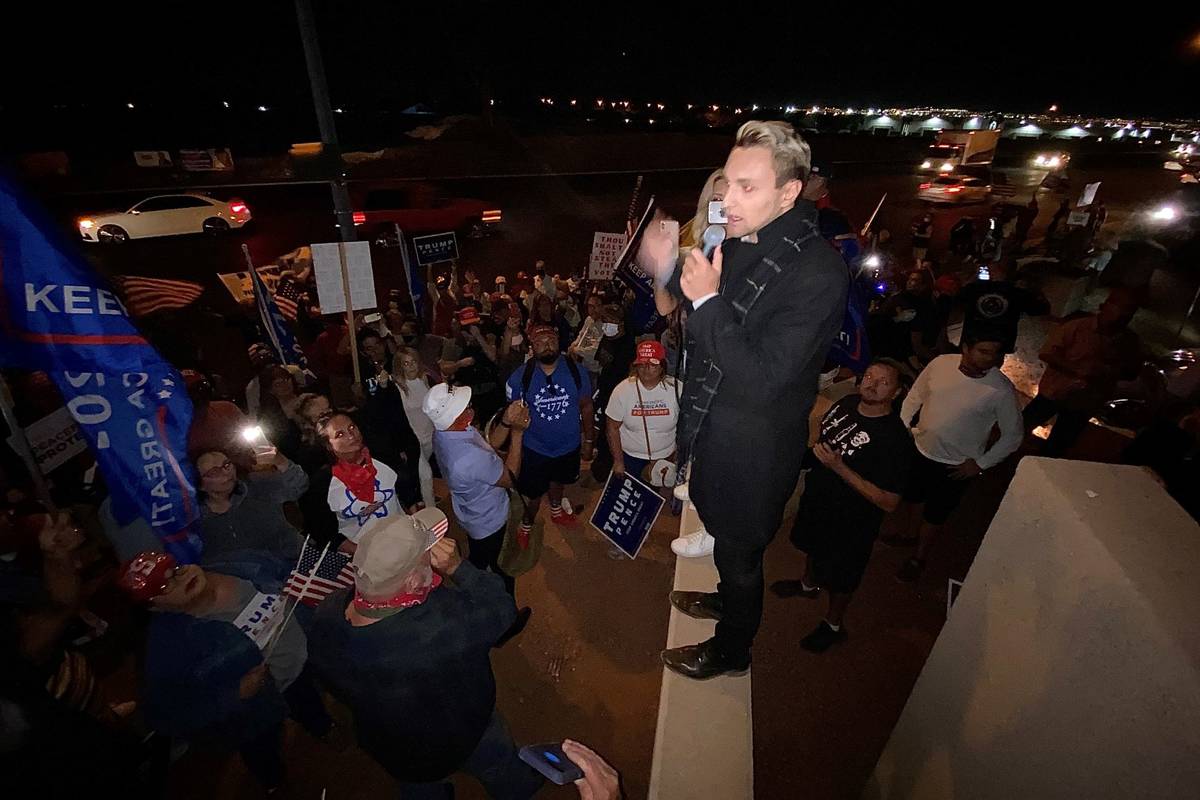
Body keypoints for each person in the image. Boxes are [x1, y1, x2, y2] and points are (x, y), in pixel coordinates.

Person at [637, 120, 849, 679]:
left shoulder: (817, 271)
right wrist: (666, 272)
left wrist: (707, 299)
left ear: (790, 192)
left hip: (754, 450)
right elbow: (691, 326)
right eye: (725, 183)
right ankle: (727, 601)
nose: (725, 200)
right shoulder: (732, 236)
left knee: (741, 555)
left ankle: (733, 649)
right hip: (711, 429)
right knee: (724, 541)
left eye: (745, 187)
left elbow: (761, 378)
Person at [306, 521, 544, 799]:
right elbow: (501, 611)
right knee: (499, 765)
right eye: (426, 557)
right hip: (464, 732)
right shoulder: (441, 625)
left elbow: (327, 681)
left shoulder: (327, 613)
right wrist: (458, 567)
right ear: (412, 581)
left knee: (420, 788)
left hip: (394, 747)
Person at [122, 551, 333, 793]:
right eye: (164, 585)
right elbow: (164, 713)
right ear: (154, 606)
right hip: (254, 710)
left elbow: (290, 565)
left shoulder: (240, 566)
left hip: (298, 667)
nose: (181, 579)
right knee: (261, 749)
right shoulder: (168, 649)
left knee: (308, 702)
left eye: (176, 570)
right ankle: (274, 780)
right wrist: (235, 693)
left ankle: (322, 727)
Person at [771, 361, 912, 652]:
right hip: (819, 500)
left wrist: (840, 468)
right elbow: (824, 445)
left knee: (843, 575)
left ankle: (833, 624)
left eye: (883, 382)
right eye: (869, 376)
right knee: (811, 545)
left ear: (896, 392)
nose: (872, 384)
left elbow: (889, 502)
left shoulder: (895, 440)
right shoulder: (847, 403)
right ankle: (808, 585)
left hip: (852, 520)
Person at [888, 329, 1024, 583]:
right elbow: (916, 395)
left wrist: (981, 464)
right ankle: (908, 535)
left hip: (956, 465)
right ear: (965, 348)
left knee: (937, 514)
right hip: (921, 449)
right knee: (914, 497)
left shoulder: (1001, 389)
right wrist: (903, 427)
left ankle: (919, 557)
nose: (990, 359)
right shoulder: (941, 364)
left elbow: (1013, 435)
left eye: (995, 354)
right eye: (983, 351)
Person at [424, 384, 534, 638]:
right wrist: (517, 434)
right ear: (456, 416)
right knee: (503, 569)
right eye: (465, 406)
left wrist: (505, 423)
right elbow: (510, 477)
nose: (471, 406)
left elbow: (487, 445)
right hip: (490, 519)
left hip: (472, 514)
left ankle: (469, 589)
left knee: (479, 558)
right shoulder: (466, 459)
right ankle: (506, 623)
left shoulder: (446, 432)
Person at [1023, 289, 1143, 457]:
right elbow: (1047, 352)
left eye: (1129, 310)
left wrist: (1107, 372)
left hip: (1086, 402)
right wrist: (1076, 369)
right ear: (1104, 306)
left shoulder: (1129, 342)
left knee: (1058, 446)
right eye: (1118, 307)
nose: (1122, 313)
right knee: (1020, 428)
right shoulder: (1077, 327)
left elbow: (1132, 372)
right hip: (1055, 392)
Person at [505, 325, 595, 538]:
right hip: (534, 448)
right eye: (540, 342)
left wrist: (589, 440)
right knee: (532, 494)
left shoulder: (576, 371)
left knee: (558, 481)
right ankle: (526, 525)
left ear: (559, 343)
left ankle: (556, 510)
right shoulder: (519, 378)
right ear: (531, 347)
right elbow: (512, 417)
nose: (547, 346)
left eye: (551, 340)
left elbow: (586, 406)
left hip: (568, 446)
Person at [317, 412, 421, 553]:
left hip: (403, 534)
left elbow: (407, 492)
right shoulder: (323, 482)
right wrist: (364, 553)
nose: (351, 435)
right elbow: (325, 532)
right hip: (363, 550)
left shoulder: (382, 455)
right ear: (328, 445)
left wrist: (416, 527)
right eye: (340, 435)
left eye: (352, 427)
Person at [195, 448, 307, 564]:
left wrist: (280, 461)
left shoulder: (257, 484)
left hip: (293, 564)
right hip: (239, 577)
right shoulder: (196, 519)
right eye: (214, 472)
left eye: (227, 465)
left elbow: (299, 485)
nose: (226, 472)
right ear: (200, 485)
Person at [604, 340, 679, 483]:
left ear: (662, 366)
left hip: (667, 456)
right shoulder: (622, 390)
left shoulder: (676, 388)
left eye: (653, 363)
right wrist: (618, 461)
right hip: (631, 458)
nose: (646, 368)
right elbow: (612, 428)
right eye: (642, 363)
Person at [957, 270, 1051, 355]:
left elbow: (1041, 309)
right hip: (977, 345)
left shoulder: (1017, 293)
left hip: (988, 346)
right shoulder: (974, 288)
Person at [395, 346, 438, 509]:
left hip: (431, 435)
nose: (411, 366)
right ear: (400, 366)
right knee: (426, 476)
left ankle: (419, 498)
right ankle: (432, 515)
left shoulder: (424, 379)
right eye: (406, 363)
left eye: (413, 361)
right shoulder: (398, 387)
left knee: (421, 474)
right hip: (414, 440)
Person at [256, 364, 306, 461]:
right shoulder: (270, 416)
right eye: (278, 384)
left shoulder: (308, 398)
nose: (284, 385)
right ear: (271, 390)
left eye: (286, 380)